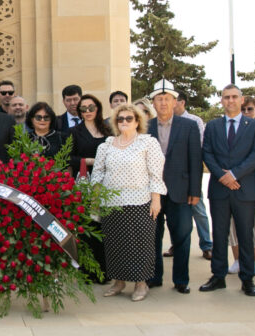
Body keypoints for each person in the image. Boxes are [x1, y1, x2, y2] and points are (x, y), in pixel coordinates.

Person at [91, 103, 165, 302]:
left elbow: (155, 174)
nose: (124, 122)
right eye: (120, 119)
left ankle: (141, 284)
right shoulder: (106, 145)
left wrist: (156, 199)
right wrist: (96, 198)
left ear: (138, 121)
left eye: (128, 118)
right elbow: (98, 172)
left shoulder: (148, 143)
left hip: (140, 202)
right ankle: (119, 282)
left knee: (140, 244)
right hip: (111, 203)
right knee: (115, 244)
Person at [201, 85, 255, 296]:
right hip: (219, 189)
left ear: (241, 99)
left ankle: (247, 278)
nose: (230, 100)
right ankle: (218, 276)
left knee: (246, 234)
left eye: (234, 97)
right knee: (219, 233)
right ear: (221, 101)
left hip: (245, 188)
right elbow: (207, 154)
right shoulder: (212, 126)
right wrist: (223, 176)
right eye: (226, 97)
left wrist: (234, 175)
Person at [145, 81, 202, 294]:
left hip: (181, 191)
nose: (163, 103)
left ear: (174, 101)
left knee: (182, 236)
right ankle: (154, 276)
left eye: (167, 99)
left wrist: (195, 191)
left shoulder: (188, 126)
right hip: (153, 193)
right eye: (159, 99)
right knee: (153, 236)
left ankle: (181, 280)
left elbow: (196, 160)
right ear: (153, 103)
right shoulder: (146, 126)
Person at [228, 95, 255, 273]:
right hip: (231, 182)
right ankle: (237, 260)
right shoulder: (229, 128)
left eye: (249, 109)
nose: (246, 112)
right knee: (233, 224)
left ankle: (251, 261)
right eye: (243, 109)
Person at [70, 94, 109, 280]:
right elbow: (70, 158)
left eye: (91, 107)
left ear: (98, 108)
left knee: (105, 226)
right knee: (87, 225)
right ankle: (88, 270)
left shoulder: (109, 130)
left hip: (106, 184)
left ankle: (106, 269)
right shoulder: (74, 132)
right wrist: (90, 161)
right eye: (83, 109)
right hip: (85, 183)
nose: (87, 112)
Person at [173, 93, 214, 261]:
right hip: (172, 176)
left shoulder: (194, 121)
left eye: (173, 101)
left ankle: (207, 245)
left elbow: (198, 148)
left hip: (190, 174)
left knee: (199, 211)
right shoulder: (164, 121)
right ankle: (176, 245)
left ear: (181, 102)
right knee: (176, 215)